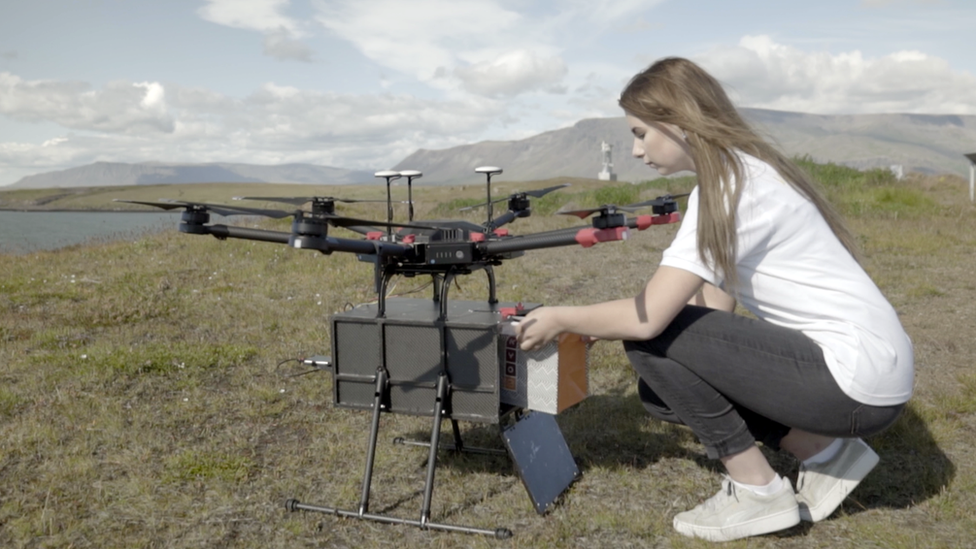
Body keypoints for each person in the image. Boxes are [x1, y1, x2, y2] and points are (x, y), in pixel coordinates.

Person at [514, 57, 914, 542]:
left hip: (855, 381)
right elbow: (712, 311)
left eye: (641, 133)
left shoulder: (729, 187)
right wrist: (607, 322)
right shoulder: (739, 174)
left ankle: (757, 492)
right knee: (659, 386)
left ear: (680, 122)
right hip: (871, 377)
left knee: (651, 340)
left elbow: (647, 319)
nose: (636, 150)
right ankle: (826, 454)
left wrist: (559, 316)